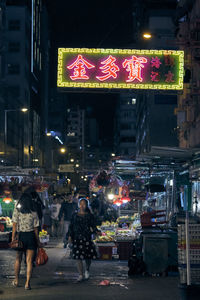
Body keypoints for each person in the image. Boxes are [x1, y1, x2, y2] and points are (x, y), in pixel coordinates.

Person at [11, 193, 41, 290]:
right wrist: (38, 241)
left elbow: (14, 226)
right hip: (31, 236)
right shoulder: (34, 212)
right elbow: (36, 229)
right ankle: (27, 283)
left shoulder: (17, 211)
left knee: (18, 259)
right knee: (29, 261)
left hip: (21, 236)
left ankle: (16, 280)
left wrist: (13, 239)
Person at [68, 198, 101, 282]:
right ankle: (80, 274)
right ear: (78, 205)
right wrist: (70, 236)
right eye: (81, 204)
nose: (82, 206)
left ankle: (87, 270)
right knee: (78, 257)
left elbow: (93, 226)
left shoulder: (90, 215)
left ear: (86, 205)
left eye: (84, 204)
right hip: (77, 238)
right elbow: (71, 226)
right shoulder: (74, 215)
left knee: (88, 257)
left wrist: (97, 231)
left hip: (86, 238)